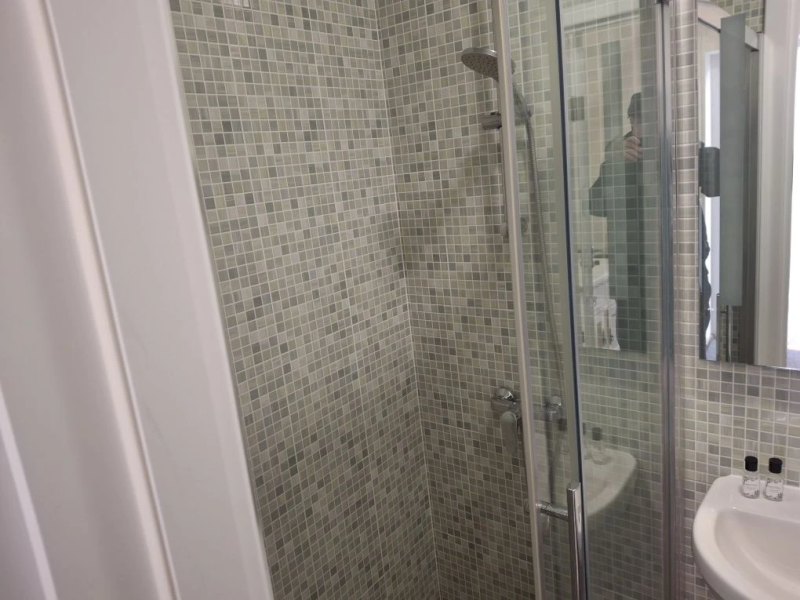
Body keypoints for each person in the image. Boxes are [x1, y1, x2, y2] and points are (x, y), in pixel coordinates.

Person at [589, 93, 646, 352]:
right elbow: (595, 205)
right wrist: (614, 166)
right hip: (632, 283)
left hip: (678, 279)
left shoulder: (680, 146)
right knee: (633, 353)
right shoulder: (619, 155)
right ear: (631, 121)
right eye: (637, 119)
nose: (642, 126)